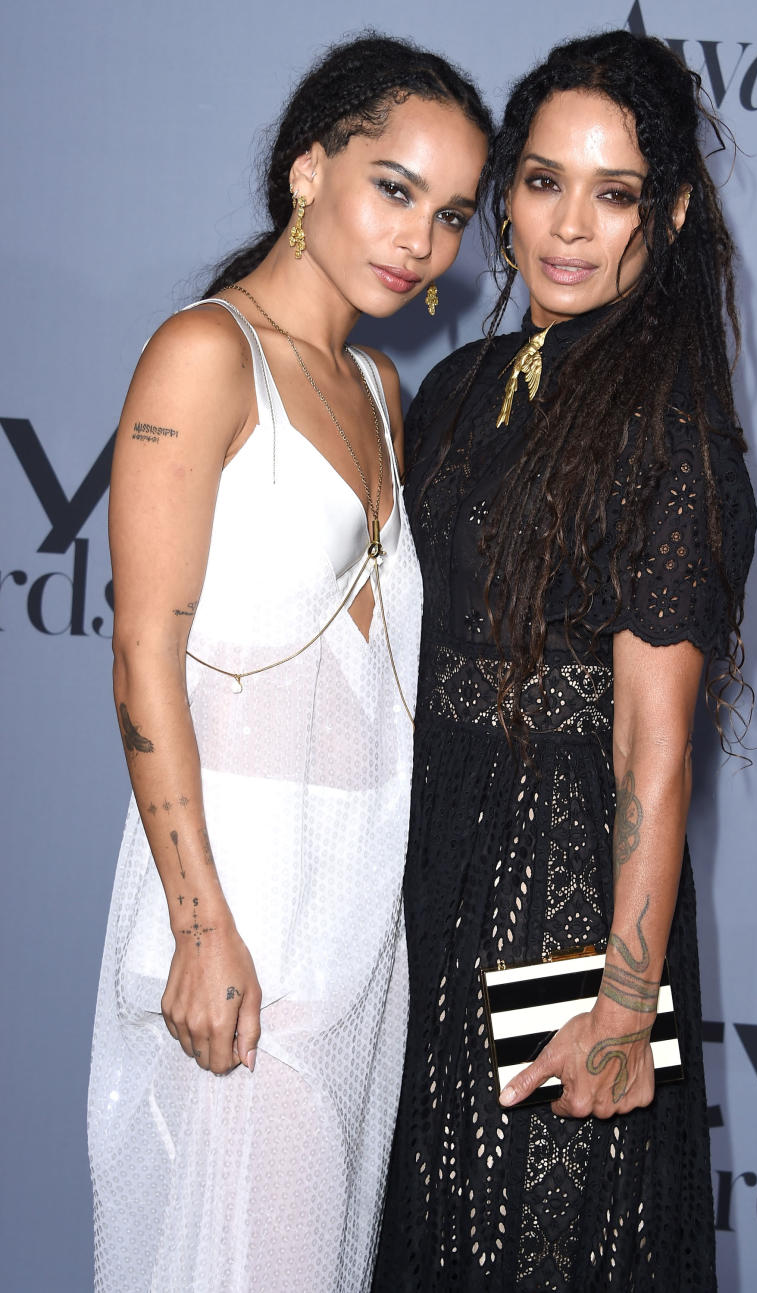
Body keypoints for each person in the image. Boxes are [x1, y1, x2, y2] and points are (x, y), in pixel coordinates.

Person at [87, 35, 490, 1292]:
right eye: (393, 187)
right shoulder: (204, 354)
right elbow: (142, 653)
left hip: (356, 923)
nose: (420, 240)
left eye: (452, 215)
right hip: (239, 919)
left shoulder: (377, 386)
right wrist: (204, 928)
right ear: (309, 168)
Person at [374, 31, 756, 1292]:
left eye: (615, 192)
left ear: (672, 212)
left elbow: (655, 754)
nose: (570, 228)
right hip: (434, 861)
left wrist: (623, 1000)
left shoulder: (675, 418)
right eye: (543, 183)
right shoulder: (455, 392)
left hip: (568, 893)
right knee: (430, 1229)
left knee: (542, 1241)